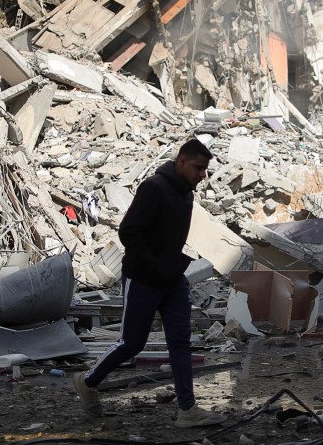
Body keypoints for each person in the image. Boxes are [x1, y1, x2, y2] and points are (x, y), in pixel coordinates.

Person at [73, 139, 226, 428]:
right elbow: (129, 231)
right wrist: (154, 266)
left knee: (180, 342)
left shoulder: (186, 194)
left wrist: (171, 266)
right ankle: (88, 380)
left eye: (205, 170)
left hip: (172, 279)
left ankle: (187, 409)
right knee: (131, 343)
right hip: (143, 278)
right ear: (181, 161)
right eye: (198, 168)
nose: (202, 175)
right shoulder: (153, 187)